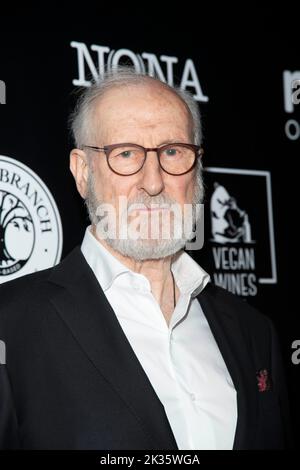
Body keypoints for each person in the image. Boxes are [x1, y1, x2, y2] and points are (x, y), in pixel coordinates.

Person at [0, 67, 291, 450]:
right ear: (82, 172)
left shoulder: (254, 332)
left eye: (173, 151)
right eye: (126, 154)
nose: (153, 182)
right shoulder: (10, 325)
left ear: (197, 168)